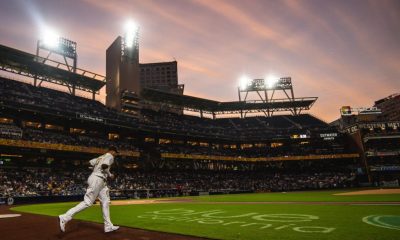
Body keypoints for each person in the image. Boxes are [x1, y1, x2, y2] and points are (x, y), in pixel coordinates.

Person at [58, 146, 119, 233]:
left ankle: (108, 226)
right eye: (115, 152)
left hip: (101, 181)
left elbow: (88, 163)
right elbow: (104, 165)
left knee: (105, 202)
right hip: (97, 179)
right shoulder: (110, 156)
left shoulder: (100, 157)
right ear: (112, 151)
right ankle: (65, 217)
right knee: (88, 202)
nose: (116, 154)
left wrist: (93, 168)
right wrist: (110, 174)